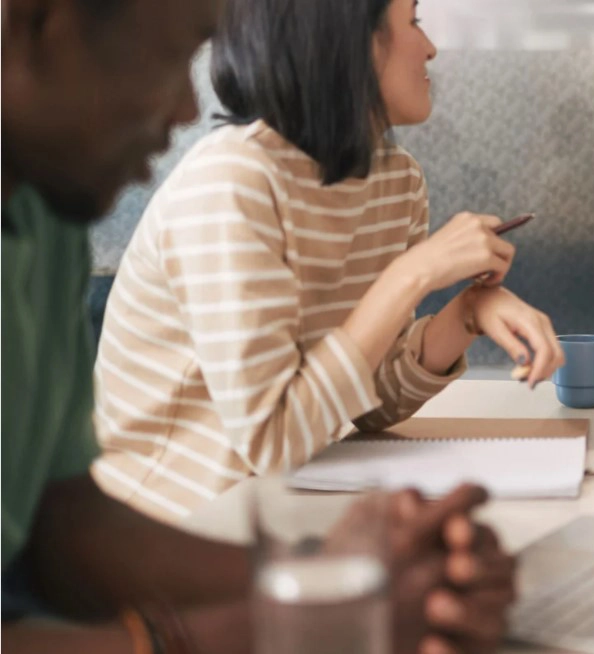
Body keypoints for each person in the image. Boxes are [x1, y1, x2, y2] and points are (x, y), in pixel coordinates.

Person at [2, 0, 514, 651]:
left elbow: (65, 525)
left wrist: (340, 579)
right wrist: (299, 614)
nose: (190, 110)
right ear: (35, 21)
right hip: (199, 507)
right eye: (170, 55)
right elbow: (270, 437)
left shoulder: (49, 220)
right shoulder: (231, 180)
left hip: (256, 511)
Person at [92, 0, 564, 523]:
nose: (430, 48)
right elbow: (272, 440)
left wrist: (467, 314)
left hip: (281, 511)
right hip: (164, 527)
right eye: (413, 21)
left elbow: (369, 400)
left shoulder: (396, 181)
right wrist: (413, 274)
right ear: (350, 41)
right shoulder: (233, 180)